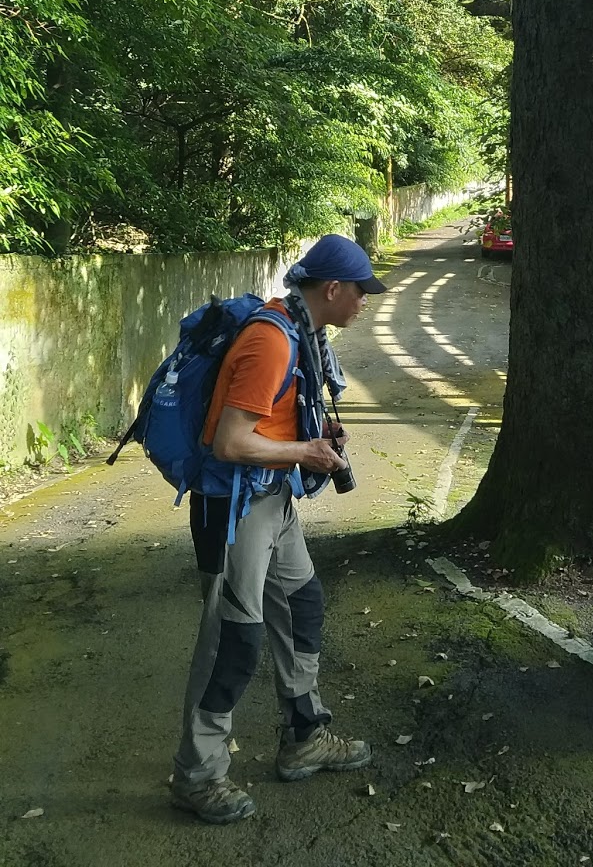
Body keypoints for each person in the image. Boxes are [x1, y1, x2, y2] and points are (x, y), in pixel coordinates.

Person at [170, 234, 387, 825]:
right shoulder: (271, 340)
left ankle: (304, 737)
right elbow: (230, 441)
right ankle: (197, 775)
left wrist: (313, 438)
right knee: (233, 641)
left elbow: (273, 420)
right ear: (333, 289)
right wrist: (305, 453)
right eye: (361, 291)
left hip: (271, 498)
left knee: (302, 604)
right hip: (233, 506)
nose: (364, 301)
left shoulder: (302, 333)